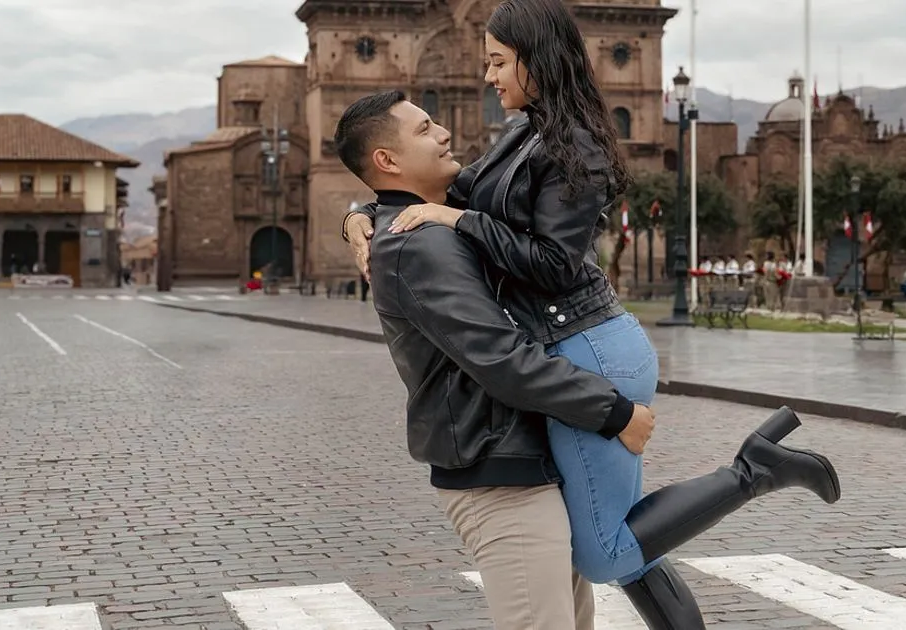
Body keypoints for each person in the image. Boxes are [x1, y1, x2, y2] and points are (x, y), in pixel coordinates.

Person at [339, 2, 840, 625]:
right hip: (569, 344)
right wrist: (363, 214)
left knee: (605, 553)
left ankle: (752, 472)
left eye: (498, 61)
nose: (489, 76)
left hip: (588, 344)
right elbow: (439, 189)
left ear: (535, 58)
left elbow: (552, 263)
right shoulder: (525, 131)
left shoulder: (575, 143)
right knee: (622, 540)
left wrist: (458, 219)